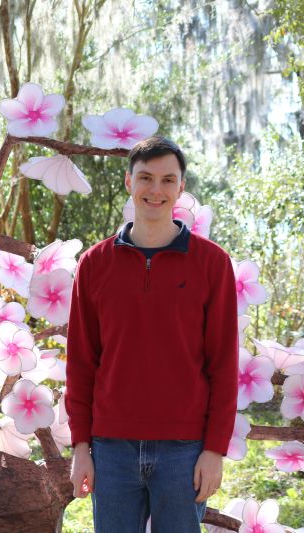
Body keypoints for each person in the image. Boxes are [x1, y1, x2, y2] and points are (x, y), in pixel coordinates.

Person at [65, 136, 238, 532]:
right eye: (145, 178)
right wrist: (80, 448)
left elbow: (224, 366)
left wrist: (214, 450)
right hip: (111, 448)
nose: (155, 190)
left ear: (180, 188)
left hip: (185, 449)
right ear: (129, 182)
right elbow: (81, 363)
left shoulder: (212, 264)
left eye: (167, 180)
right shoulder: (94, 264)